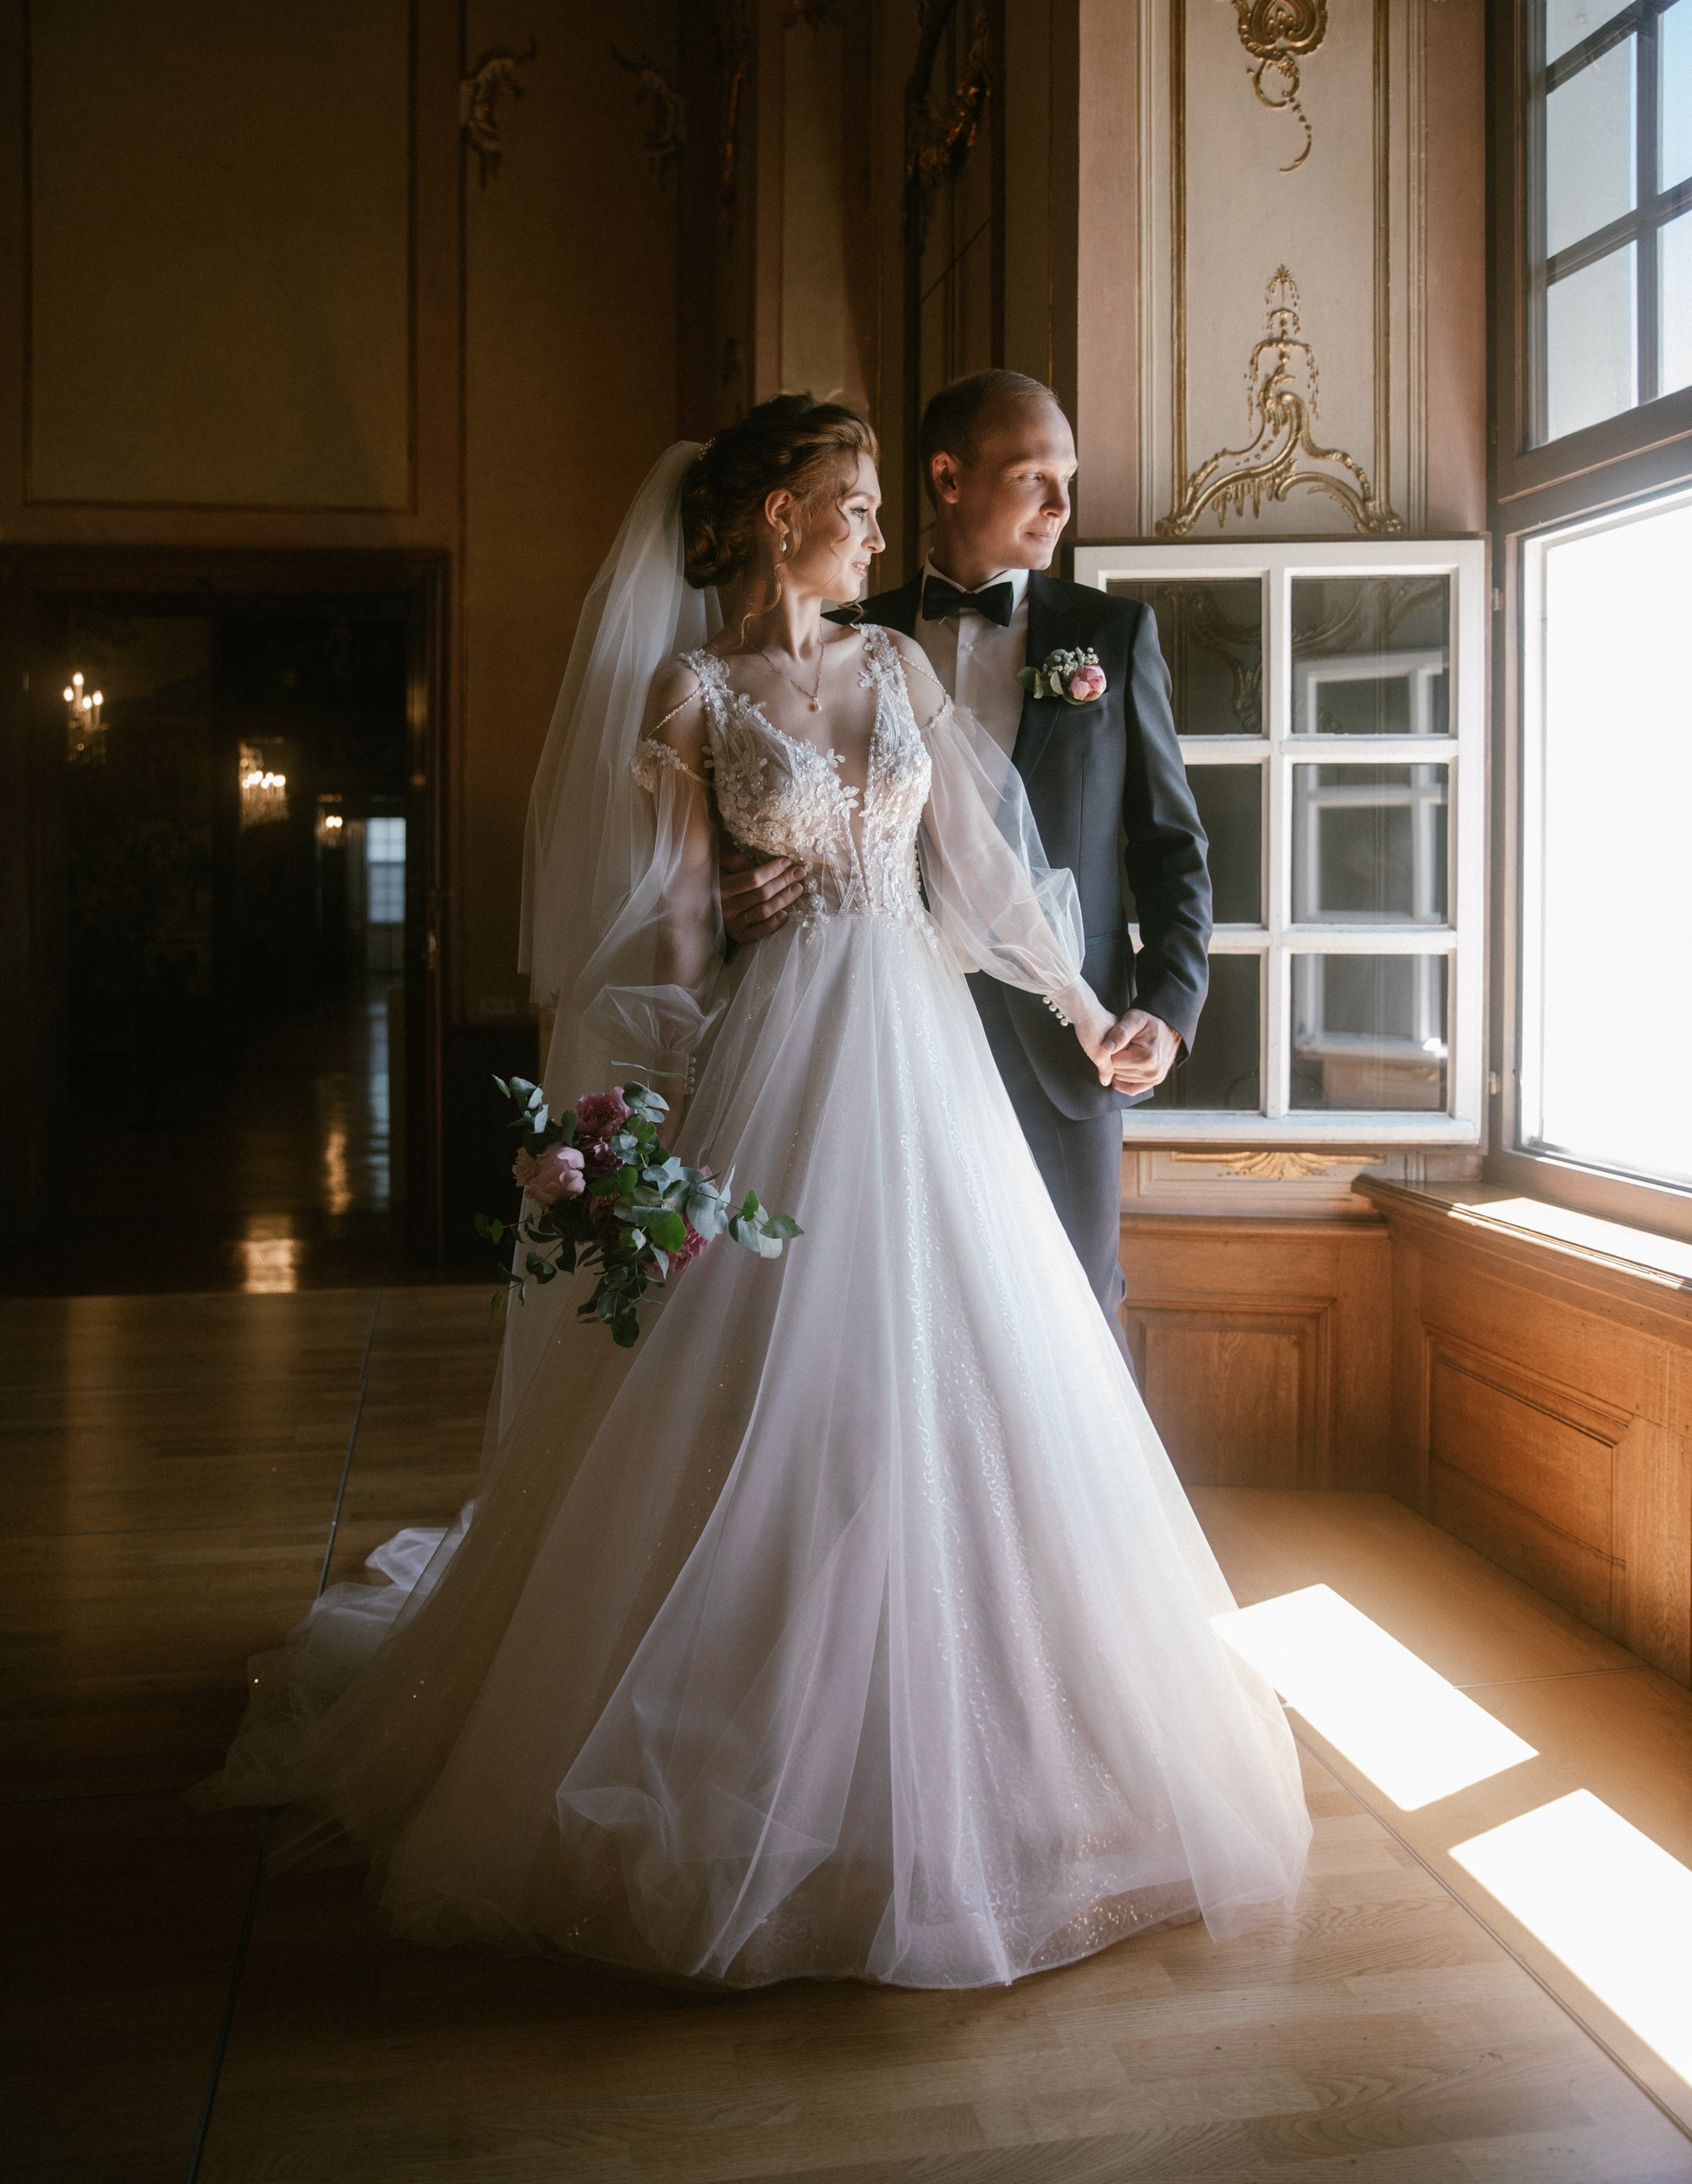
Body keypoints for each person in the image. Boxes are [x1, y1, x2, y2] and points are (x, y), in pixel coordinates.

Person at [192, 398, 1308, 1990]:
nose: (872, 528)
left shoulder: (901, 668)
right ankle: (764, 1724)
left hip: (928, 1064)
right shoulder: (693, 694)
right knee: (767, 1400)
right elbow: (672, 948)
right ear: (776, 517)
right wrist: (647, 1096)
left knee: (966, 1383)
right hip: (780, 1067)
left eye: (870, 500)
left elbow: (985, 878)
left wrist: (1088, 1011)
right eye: (848, 503)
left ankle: (988, 1735)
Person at [721, 370, 1209, 1323]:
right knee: (887, 1322)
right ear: (948, 478)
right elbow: (772, 810)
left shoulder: (1110, 634)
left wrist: (1169, 1005)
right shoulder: (851, 633)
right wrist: (737, 897)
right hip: (873, 1036)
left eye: (1067, 478)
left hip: (1065, 1043)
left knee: (1063, 1328)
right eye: (1035, 477)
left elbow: (1169, 847)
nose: (1063, 505)